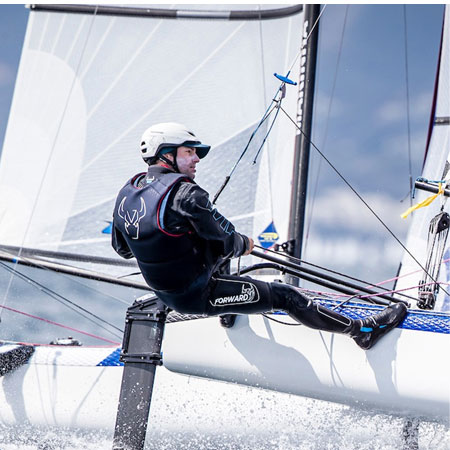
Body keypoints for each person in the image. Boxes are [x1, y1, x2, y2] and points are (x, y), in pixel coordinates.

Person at [112, 122, 407, 350]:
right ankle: (361, 331)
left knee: (204, 244)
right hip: (197, 297)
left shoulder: (129, 191)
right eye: (189, 152)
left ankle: (227, 312)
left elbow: (123, 249)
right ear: (166, 154)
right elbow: (228, 241)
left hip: (166, 293)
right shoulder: (187, 194)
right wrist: (244, 242)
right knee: (286, 296)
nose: (196, 159)